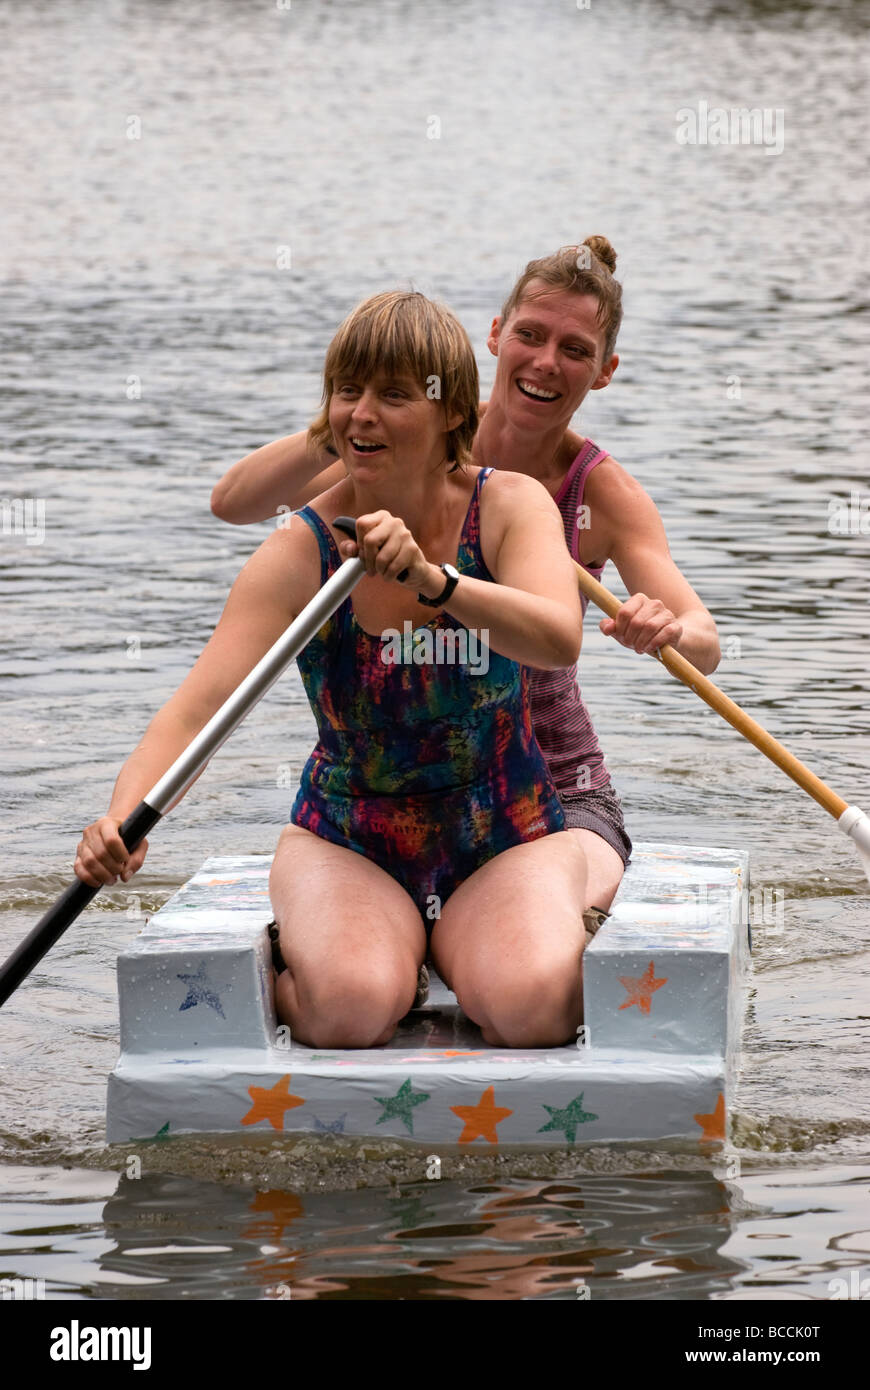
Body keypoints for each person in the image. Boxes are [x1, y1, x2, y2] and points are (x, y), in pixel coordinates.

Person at [74, 290, 591, 1050]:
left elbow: (558, 638)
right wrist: (123, 816)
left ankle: (461, 949)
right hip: (349, 835)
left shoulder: (510, 506)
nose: (361, 415)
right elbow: (196, 713)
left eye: (392, 395)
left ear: (453, 413)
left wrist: (436, 582)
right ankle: (334, 964)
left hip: (504, 829)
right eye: (348, 392)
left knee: (533, 1008)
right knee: (349, 1011)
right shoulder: (299, 550)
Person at [210, 238, 722, 930]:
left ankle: (545, 936)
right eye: (530, 336)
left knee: (543, 931)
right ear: (495, 337)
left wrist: (668, 628)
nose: (545, 363)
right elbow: (235, 503)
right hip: (405, 791)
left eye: (574, 350)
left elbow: (704, 641)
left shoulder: (604, 494)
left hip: (556, 793)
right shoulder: (412, 438)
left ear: (604, 372)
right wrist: (354, 416)